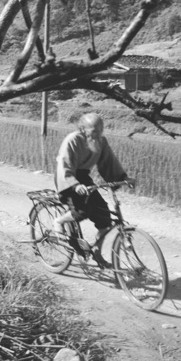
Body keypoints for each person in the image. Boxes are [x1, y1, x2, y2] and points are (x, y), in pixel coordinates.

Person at [53, 113, 135, 266]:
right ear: (83, 129)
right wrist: (75, 185)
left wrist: (123, 178)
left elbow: (109, 163)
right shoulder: (72, 140)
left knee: (104, 216)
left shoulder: (101, 141)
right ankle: (59, 221)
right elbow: (64, 165)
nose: (98, 134)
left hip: (84, 177)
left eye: (101, 130)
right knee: (82, 210)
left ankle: (96, 252)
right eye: (94, 131)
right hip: (67, 178)